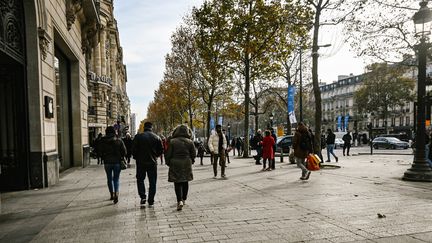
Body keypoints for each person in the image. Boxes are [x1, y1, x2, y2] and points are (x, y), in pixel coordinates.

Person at [164, 124, 196, 211]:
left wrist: (168, 162)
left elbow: (168, 154)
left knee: (177, 182)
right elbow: (194, 154)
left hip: (175, 163)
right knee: (185, 181)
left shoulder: (172, 141)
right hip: (186, 162)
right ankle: (184, 198)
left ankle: (179, 200)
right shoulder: (190, 142)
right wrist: (191, 161)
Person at [132, 122, 163, 207]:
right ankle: (151, 200)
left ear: (144, 127)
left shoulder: (138, 137)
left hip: (140, 162)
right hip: (152, 163)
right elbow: (161, 150)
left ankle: (143, 197)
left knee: (140, 179)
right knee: (152, 182)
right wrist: (155, 156)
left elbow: (133, 149)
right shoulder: (157, 137)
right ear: (151, 127)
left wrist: (136, 157)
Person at [97, 126, 126, 204]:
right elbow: (124, 152)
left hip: (107, 162)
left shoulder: (102, 140)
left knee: (109, 179)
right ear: (114, 132)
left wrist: (103, 157)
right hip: (117, 162)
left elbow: (99, 152)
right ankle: (116, 192)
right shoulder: (119, 140)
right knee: (116, 179)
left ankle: (111, 194)